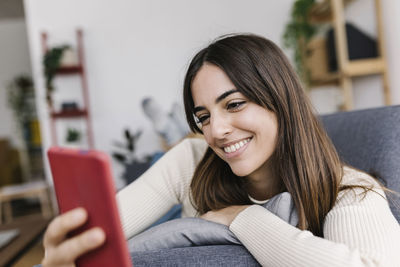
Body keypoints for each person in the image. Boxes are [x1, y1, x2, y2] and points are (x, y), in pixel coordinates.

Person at [41, 34, 400, 266]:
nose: (217, 130)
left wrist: (241, 217)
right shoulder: (194, 159)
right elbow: (104, 231)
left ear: (281, 100)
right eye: (203, 116)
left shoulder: (351, 193)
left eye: (234, 104)